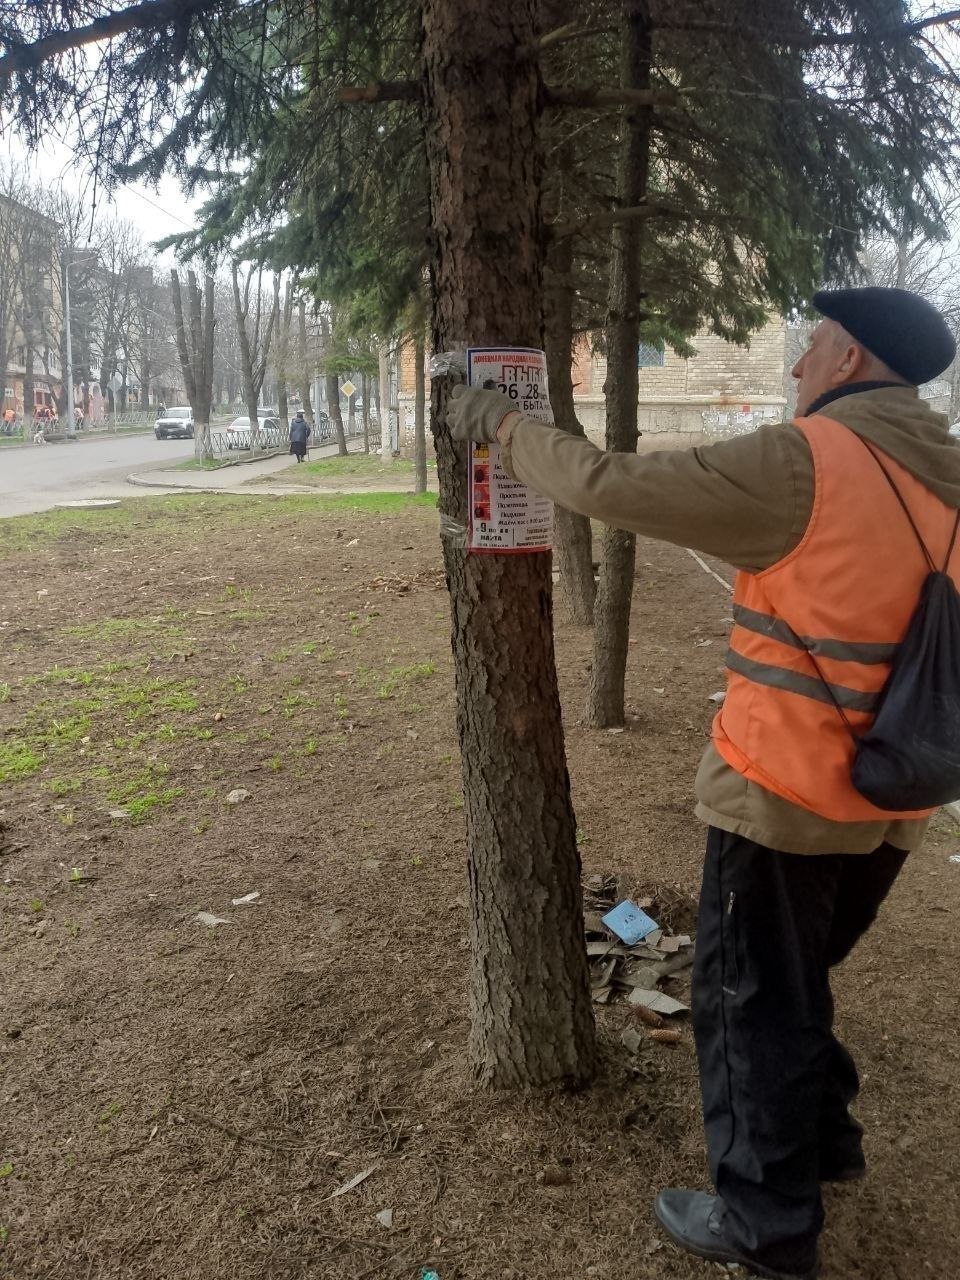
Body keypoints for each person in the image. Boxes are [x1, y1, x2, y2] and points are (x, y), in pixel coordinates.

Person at [447, 287, 960, 1280]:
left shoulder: (807, 459)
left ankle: (766, 1224)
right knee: (797, 980)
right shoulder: (947, 473)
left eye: (811, 347)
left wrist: (502, 427)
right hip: (899, 798)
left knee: (745, 1002)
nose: (799, 363)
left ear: (850, 359)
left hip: (786, 794)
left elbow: (615, 483)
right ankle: (831, 1142)